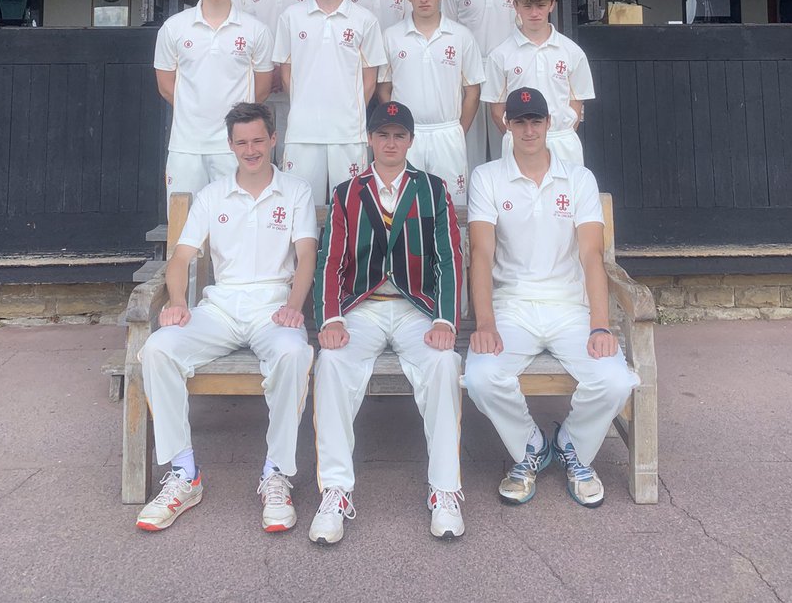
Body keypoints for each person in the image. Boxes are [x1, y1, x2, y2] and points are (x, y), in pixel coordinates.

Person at [136, 103, 317, 533]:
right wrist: (178, 301)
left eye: (258, 140)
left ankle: (276, 473)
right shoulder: (213, 194)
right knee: (158, 349)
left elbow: (307, 256)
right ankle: (184, 474)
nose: (250, 150)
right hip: (219, 307)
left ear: (274, 139)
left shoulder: (295, 190)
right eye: (241, 142)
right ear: (231, 145)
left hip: (273, 307)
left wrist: (294, 305)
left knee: (295, 355)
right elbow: (180, 258)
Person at [463, 88, 637, 509]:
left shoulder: (578, 179)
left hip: (568, 307)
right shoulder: (487, 177)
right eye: (519, 121)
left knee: (615, 380)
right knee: (482, 378)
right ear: (507, 124)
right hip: (512, 307)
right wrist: (485, 323)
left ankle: (572, 446)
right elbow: (482, 255)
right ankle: (530, 449)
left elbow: (592, 256)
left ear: (549, 123)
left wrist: (600, 323)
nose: (528, 129)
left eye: (535, 121)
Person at [309, 101, 464, 544]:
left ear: (411, 141)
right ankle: (335, 490)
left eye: (399, 135)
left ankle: (445, 490)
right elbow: (330, 261)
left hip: (417, 309)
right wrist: (332, 317)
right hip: (363, 307)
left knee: (442, 364)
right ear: (370, 140)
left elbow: (449, 259)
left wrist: (445, 320)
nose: (391, 142)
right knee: (332, 364)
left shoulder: (433, 189)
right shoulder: (346, 192)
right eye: (383, 134)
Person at [154, 0, 274, 201]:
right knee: (183, 223)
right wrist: (193, 110)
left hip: (233, 146)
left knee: (234, 223)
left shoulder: (256, 30)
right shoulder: (174, 27)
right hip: (186, 146)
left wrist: (236, 120)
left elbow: (261, 88)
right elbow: (165, 84)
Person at [274, 0, 386, 206]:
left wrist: (349, 109)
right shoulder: (292, 16)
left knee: (353, 207)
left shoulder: (364, 19)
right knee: (300, 208)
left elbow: (369, 80)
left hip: (348, 133)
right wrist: (306, 103)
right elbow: (287, 74)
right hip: (303, 131)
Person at [378, 0, 484, 213]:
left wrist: (458, 129)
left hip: (447, 133)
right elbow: (384, 88)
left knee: (451, 207)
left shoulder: (461, 36)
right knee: (402, 207)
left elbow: (472, 91)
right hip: (406, 135)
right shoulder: (391, 36)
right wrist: (399, 125)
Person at [482, 0, 594, 165]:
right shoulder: (500, 55)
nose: (534, 13)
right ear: (515, 5)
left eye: (541, 5)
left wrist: (556, 132)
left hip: (562, 142)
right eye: (527, 6)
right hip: (519, 142)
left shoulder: (572, 52)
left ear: (552, 4)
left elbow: (577, 102)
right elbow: (497, 109)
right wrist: (521, 135)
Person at [235, 0, 312, 161]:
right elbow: (236, 35)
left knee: (295, 159)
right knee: (257, 156)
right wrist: (267, 73)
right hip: (255, 87)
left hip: (299, 87)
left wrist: (284, 70)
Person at [444, 0, 519, 166]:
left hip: (507, 70)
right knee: (470, 143)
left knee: (507, 138)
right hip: (468, 71)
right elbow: (449, 31)